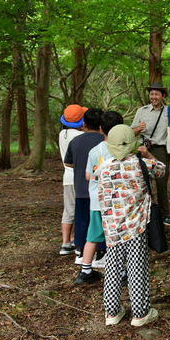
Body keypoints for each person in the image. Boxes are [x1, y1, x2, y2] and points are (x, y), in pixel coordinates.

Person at [97, 125, 165, 327]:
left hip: (111, 227)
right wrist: (146, 153)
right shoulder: (142, 165)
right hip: (136, 227)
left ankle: (111, 312)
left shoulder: (104, 168)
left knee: (112, 268)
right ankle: (140, 313)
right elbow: (161, 168)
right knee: (137, 268)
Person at [131, 82, 170, 226]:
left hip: (161, 150)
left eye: (156, 94)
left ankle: (165, 215)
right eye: (151, 94)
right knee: (143, 181)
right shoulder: (142, 111)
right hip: (143, 148)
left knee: (162, 182)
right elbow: (131, 131)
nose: (153, 97)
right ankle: (143, 215)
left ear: (163, 96)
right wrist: (138, 129)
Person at [64, 108, 104, 284]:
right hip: (100, 189)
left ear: (84, 124)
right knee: (100, 222)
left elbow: (68, 162)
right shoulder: (105, 141)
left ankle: (81, 252)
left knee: (82, 221)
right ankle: (101, 252)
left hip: (81, 187)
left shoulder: (76, 141)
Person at [84, 111, 124, 280]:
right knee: (118, 237)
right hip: (117, 202)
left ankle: (85, 270)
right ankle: (121, 272)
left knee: (92, 236)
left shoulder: (95, 151)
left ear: (101, 129)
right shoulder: (123, 149)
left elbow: (88, 176)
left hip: (97, 201)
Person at [58, 105, 86, 255]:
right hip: (80, 175)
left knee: (68, 209)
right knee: (81, 208)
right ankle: (77, 240)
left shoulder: (62, 133)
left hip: (67, 176)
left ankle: (65, 242)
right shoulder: (80, 136)